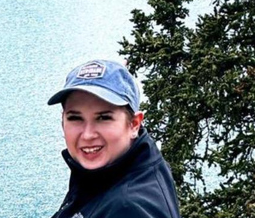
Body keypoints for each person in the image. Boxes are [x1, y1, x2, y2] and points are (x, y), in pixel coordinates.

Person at [47, 60, 182, 218]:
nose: (87, 134)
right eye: (75, 118)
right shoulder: (113, 170)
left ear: (134, 124)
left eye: (104, 118)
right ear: (62, 121)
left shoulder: (129, 209)